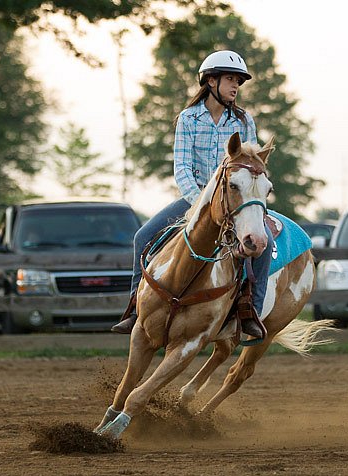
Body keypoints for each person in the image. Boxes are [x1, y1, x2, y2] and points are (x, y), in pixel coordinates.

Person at [112, 50, 274, 340]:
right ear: (210, 81)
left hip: (236, 202)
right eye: (229, 79)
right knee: (142, 237)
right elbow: (182, 168)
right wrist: (202, 203)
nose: (235, 86)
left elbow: (250, 165)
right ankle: (136, 308)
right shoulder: (188, 119)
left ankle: (251, 311)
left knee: (265, 243)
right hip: (194, 200)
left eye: (238, 81)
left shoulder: (244, 121)